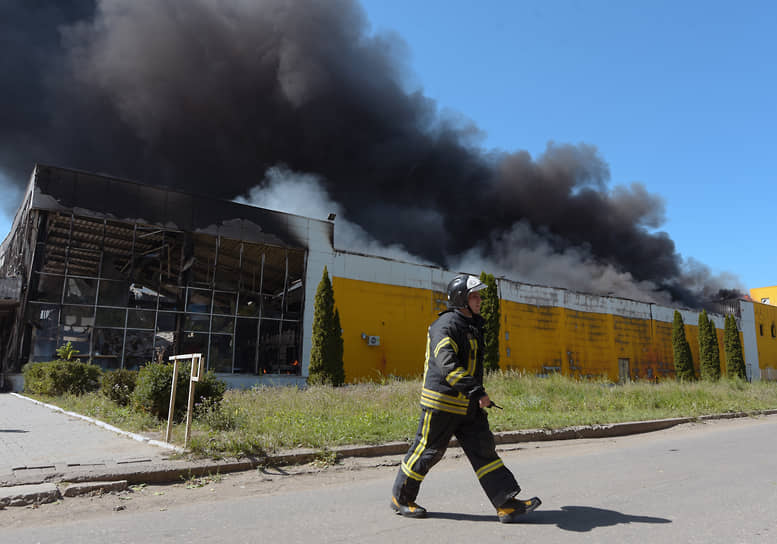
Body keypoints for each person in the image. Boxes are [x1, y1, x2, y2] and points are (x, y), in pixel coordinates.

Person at [391, 274, 541, 523]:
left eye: (479, 296)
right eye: (474, 296)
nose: (479, 300)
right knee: (427, 452)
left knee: (484, 450)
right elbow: (447, 365)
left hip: (467, 405)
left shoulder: (471, 325)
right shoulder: (445, 325)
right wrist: (477, 391)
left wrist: (474, 394)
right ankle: (401, 498)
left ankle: (505, 504)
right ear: (461, 299)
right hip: (442, 404)